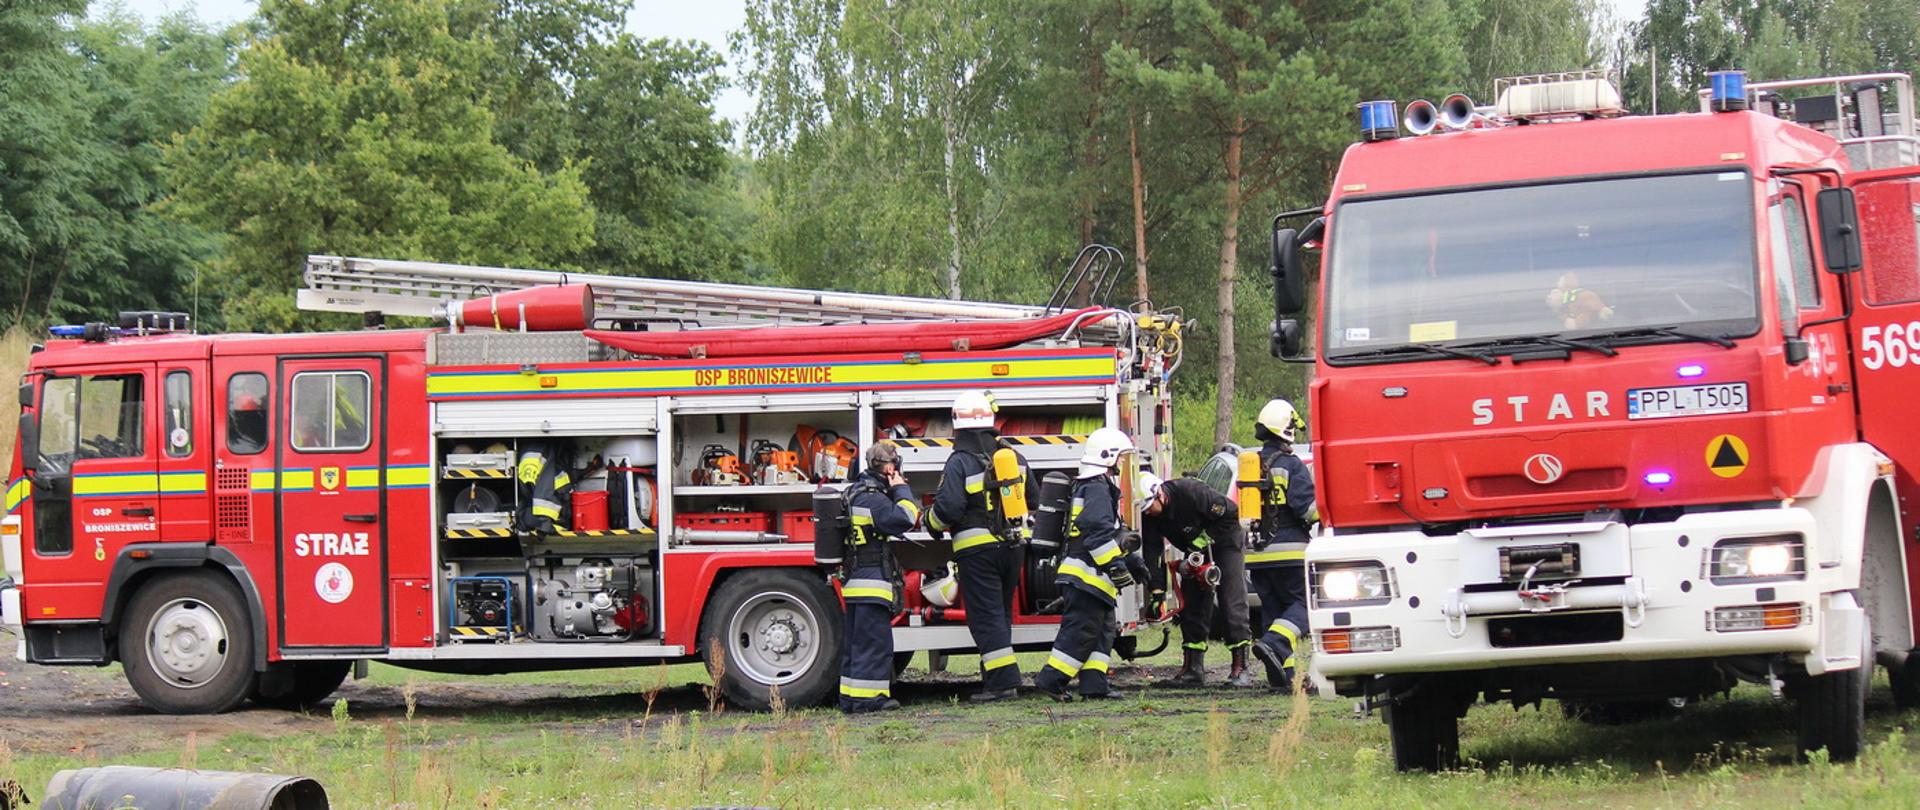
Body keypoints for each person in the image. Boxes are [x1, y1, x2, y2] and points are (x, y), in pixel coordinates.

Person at [1034, 428, 1150, 701]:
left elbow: (1111, 534)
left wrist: (1132, 561)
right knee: (1081, 632)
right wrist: (1116, 568)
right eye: (1121, 457)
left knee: (1101, 633)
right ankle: (1051, 680)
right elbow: (1096, 534)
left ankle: (1094, 686)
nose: (1122, 463)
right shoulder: (1096, 487)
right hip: (1086, 577)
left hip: (1093, 579)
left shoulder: (1096, 486)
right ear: (1108, 456)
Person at [929, 391, 1027, 702]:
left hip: (977, 551)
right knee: (999, 614)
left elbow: (948, 509)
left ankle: (1002, 684)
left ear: (956, 423)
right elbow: (1034, 498)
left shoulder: (959, 460)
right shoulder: (1013, 456)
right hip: (1013, 547)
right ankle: (996, 677)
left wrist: (929, 522)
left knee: (986, 616)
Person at [1139, 471, 1256, 687]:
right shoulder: (1151, 517)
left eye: (1149, 507)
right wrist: (1156, 591)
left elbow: (1231, 513)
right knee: (1192, 603)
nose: (1148, 513)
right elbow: (1152, 553)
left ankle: (1241, 667)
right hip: (1194, 549)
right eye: (1143, 510)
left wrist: (1203, 540)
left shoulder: (1191, 492)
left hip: (1225, 541)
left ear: (1160, 495)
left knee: (1231, 599)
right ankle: (1193, 669)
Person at [836, 440, 921, 714]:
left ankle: (851, 698)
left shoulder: (854, 492)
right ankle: (869, 700)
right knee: (875, 644)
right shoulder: (873, 498)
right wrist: (901, 489)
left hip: (856, 581)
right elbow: (905, 518)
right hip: (872, 582)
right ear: (888, 467)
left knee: (856, 644)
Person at [1246, 399, 1318, 690]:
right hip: (1289, 550)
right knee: (1304, 606)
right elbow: (1307, 510)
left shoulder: (1250, 465)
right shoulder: (1291, 465)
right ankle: (1275, 643)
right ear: (1287, 430)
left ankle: (1282, 678)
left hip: (1256, 553)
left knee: (1273, 611)